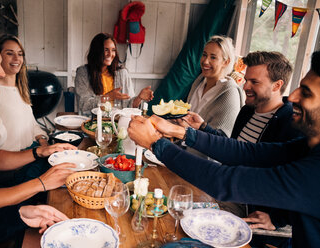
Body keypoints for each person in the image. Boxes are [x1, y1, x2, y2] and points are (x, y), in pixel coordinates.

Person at [128, 51, 320, 246]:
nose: (293, 96)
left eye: (306, 92)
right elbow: (245, 152)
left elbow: (225, 181)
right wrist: (181, 132)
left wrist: (155, 143)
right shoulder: (305, 146)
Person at [180, 51, 302, 245]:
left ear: (277, 85)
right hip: (227, 196)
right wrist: (204, 128)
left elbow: (298, 181)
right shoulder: (246, 111)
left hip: (251, 220)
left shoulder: (290, 123)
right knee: (177, 214)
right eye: (246, 80)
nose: (245, 86)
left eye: (255, 82)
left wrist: (278, 219)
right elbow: (235, 150)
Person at [0, 35, 76, 245]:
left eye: (20, 54)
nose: (0, 71)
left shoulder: (8, 93)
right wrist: (40, 183)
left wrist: (41, 149)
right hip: (9, 178)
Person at [0, 35, 48, 151]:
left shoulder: (20, 89)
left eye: (20, 54)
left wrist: (42, 139)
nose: (16, 59)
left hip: (30, 152)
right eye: (10, 53)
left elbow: (31, 123)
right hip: (11, 163)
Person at [75, 32, 154, 113]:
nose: (110, 54)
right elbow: (83, 104)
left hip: (117, 122)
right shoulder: (83, 73)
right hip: (93, 122)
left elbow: (129, 106)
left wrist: (139, 98)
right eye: (106, 50)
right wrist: (108, 97)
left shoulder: (122, 73)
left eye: (113, 50)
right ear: (96, 51)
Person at [185, 35, 244, 138]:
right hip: (183, 146)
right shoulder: (198, 83)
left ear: (226, 62)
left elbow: (223, 138)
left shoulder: (230, 93)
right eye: (204, 55)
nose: (205, 61)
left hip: (203, 153)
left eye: (213, 57)